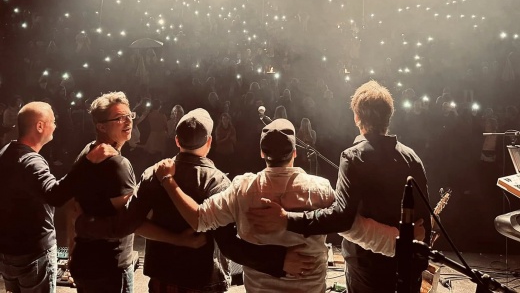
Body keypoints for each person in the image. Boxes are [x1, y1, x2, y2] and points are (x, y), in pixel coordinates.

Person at [75, 109, 317, 293]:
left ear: (177, 141)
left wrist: (86, 225)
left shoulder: (153, 173)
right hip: (202, 279)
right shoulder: (216, 181)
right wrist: (278, 261)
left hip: (162, 277)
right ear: (209, 142)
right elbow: (229, 245)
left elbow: (126, 223)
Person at [156, 116, 402, 293]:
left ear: (262, 153)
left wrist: (168, 181)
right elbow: (361, 231)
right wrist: (404, 242)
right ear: (295, 152)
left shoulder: (243, 189)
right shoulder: (319, 189)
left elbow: (198, 218)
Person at [247, 81, 431, 293]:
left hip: (367, 270)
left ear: (356, 117)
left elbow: (342, 218)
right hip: (409, 268)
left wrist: (287, 219)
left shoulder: (354, 157)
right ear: (389, 116)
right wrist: (418, 263)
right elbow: (424, 221)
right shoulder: (412, 158)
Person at [0, 101, 112, 293]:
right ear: (40, 126)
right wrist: (87, 162)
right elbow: (55, 195)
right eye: (53, 121)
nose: (55, 125)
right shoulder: (32, 162)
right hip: (33, 254)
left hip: (7, 253)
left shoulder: (5, 152)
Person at [68, 91, 138, 293]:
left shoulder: (88, 151)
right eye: (119, 118)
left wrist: (71, 251)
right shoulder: (118, 164)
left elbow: (72, 207)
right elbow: (128, 221)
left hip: (84, 261)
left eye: (129, 115)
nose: (128, 121)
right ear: (101, 126)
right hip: (110, 268)